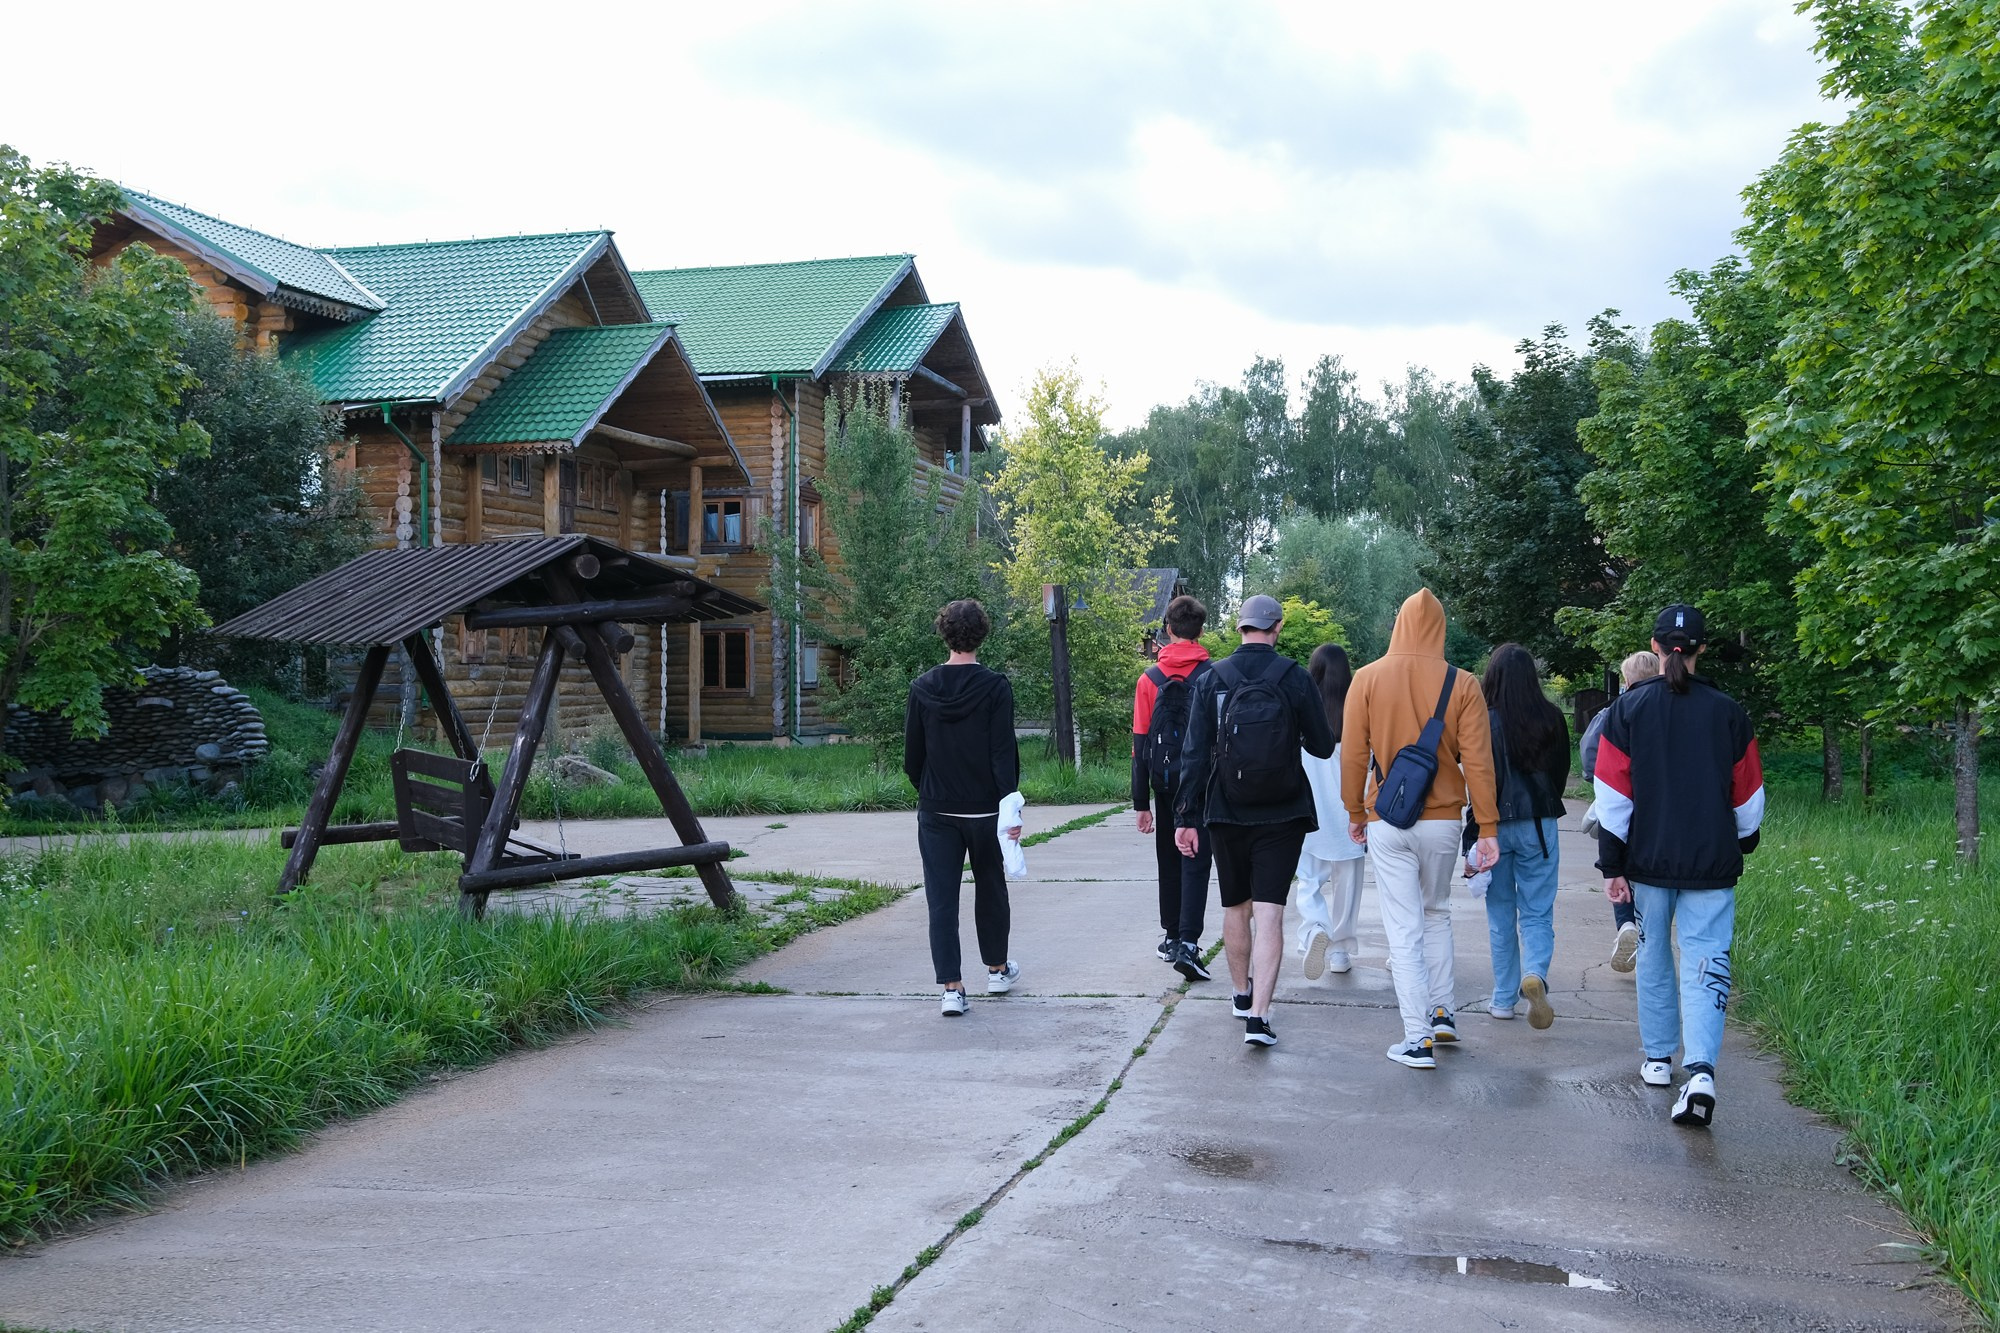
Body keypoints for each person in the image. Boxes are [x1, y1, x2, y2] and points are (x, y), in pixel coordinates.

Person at [1594, 604, 1764, 1127]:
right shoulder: (1729, 712)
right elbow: (1749, 799)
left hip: (1647, 860)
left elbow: (1612, 797)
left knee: (1653, 956)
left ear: (1655, 644)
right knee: (1707, 959)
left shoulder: (1627, 711)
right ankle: (1702, 1070)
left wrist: (1612, 864)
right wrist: (1742, 840)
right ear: (1701, 650)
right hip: (1711, 860)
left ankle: (1656, 1059)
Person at [1341, 589, 1498, 1070]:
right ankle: (1443, 1012)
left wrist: (1354, 811)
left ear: (1399, 625)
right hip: (1445, 821)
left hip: (1387, 819)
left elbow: (1352, 754)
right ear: (1440, 629)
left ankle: (1417, 1038)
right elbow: (1478, 761)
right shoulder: (1464, 683)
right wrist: (1487, 827)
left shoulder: (1366, 678)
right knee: (1437, 913)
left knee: (1403, 928)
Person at [1175, 595, 1335, 1048]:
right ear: (1277, 628)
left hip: (1226, 809)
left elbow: (1193, 753)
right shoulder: (1295, 677)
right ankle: (1260, 1019)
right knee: (1270, 913)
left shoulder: (1213, 678)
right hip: (1283, 811)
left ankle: (1241, 995)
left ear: (1240, 627)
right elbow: (1323, 747)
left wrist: (1185, 816)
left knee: (1235, 908)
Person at [904, 599, 1024, 1018]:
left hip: (937, 811)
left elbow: (912, 758)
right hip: (985, 810)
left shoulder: (921, 688)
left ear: (945, 634)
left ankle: (952, 989)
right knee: (991, 887)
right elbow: (1002, 756)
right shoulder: (995, 687)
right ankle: (997, 969)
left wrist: (933, 792)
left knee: (941, 898)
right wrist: (1009, 810)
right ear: (982, 635)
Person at [1463, 644, 1570, 1029]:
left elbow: (1473, 779)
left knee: (1500, 913)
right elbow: (1559, 774)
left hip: (1491, 825)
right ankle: (1536, 975)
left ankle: (1503, 999)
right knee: (1538, 911)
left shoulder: (1480, 719)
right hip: (1539, 823)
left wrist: (1472, 835)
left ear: (1491, 677)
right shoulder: (1552, 717)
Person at [1132, 594, 1216, 981]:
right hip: (1201, 784)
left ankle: (1169, 936)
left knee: (1168, 857)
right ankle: (1189, 940)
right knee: (1196, 859)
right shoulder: (1213, 676)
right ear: (1200, 631)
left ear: (1167, 630)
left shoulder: (1148, 680)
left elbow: (1140, 742)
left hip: (1164, 783)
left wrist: (1140, 802)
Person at [1581, 650, 1660, 972]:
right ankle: (1647, 933)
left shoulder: (1614, 712)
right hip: (1659, 807)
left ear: (1626, 680)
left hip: (1620, 802)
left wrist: (1596, 780)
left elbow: (1589, 753)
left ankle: (1626, 924)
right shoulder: (1669, 712)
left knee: (1619, 869)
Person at [1294, 644, 1365, 980]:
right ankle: (1339, 952)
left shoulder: (1302, 710)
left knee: (1309, 880)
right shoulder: (1358, 711)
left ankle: (1314, 931)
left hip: (1310, 812)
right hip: (1351, 814)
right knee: (1347, 887)